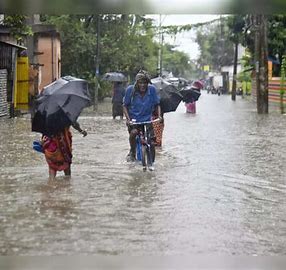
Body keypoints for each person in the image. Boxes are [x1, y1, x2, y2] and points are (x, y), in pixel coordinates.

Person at [123, 70, 162, 162]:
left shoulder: (152, 89)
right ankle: (133, 152)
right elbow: (124, 105)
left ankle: (152, 162)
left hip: (148, 120)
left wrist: (159, 117)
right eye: (140, 83)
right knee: (133, 133)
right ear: (137, 83)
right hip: (134, 120)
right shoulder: (130, 90)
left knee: (152, 142)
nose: (143, 85)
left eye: (145, 83)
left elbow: (157, 104)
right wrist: (128, 120)